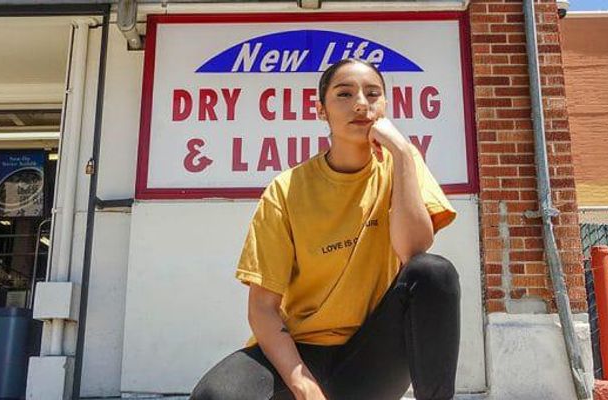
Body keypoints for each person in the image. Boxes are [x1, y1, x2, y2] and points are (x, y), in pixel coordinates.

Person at [190, 59, 461, 400]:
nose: (361, 103)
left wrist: (403, 154)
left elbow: (413, 251)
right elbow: (262, 308)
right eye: (344, 94)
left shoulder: (402, 165)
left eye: (373, 93)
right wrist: (302, 384)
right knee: (214, 396)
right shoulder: (286, 189)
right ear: (321, 111)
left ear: (386, 106)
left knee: (434, 271)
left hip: (372, 358)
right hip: (302, 350)